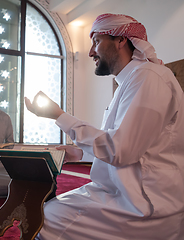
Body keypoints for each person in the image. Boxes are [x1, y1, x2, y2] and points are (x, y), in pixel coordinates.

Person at [25, 13, 184, 240]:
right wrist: (78, 152)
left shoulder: (149, 77)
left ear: (121, 40)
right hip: (123, 192)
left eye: (97, 41)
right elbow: (121, 141)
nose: (91, 52)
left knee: (45, 219)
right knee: (47, 211)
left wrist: (58, 115)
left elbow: (121, 150)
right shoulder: (130, 81)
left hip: (146, 203)